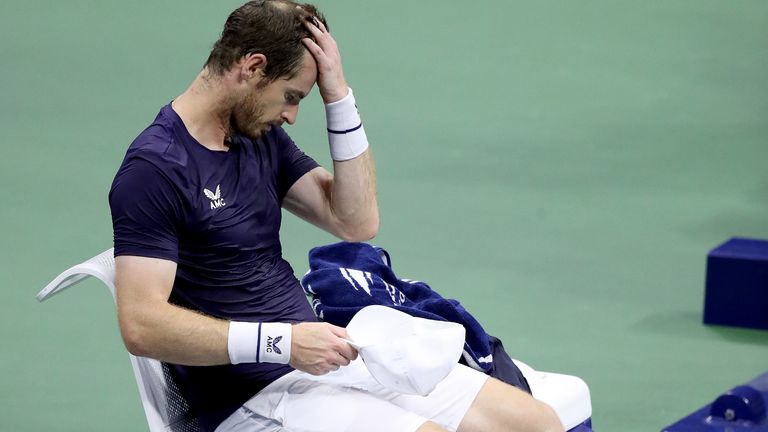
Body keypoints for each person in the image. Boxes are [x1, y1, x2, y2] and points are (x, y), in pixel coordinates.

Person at [108, 1, 564, 431]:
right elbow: (141, 324)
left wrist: (339, 96)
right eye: (291, 96)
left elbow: (356, 221)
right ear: (252, 67)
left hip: (325, 362)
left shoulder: (255, 136)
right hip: (253, 398)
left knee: (536, 422)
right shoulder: (156, 169)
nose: (291, 115)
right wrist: (282, 342)